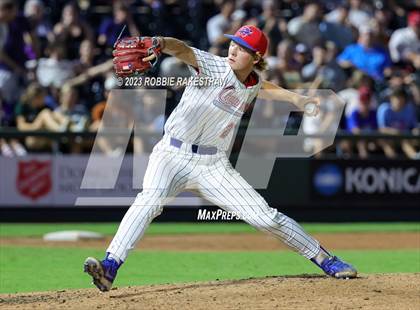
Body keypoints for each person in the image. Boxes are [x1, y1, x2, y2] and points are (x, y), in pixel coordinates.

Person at [84, 25, 357, 292]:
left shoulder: (251, 82)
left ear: (257, 58)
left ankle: (326, 259)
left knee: (266, 218)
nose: (234, 50)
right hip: (170, 154)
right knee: (147, 202)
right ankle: (110, 266)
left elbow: (263, 87)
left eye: (243, 48)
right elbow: (182, 49)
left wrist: (296, 99)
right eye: (233, 44)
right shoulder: (213, 65)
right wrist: (160, 42)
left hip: (213, 166)